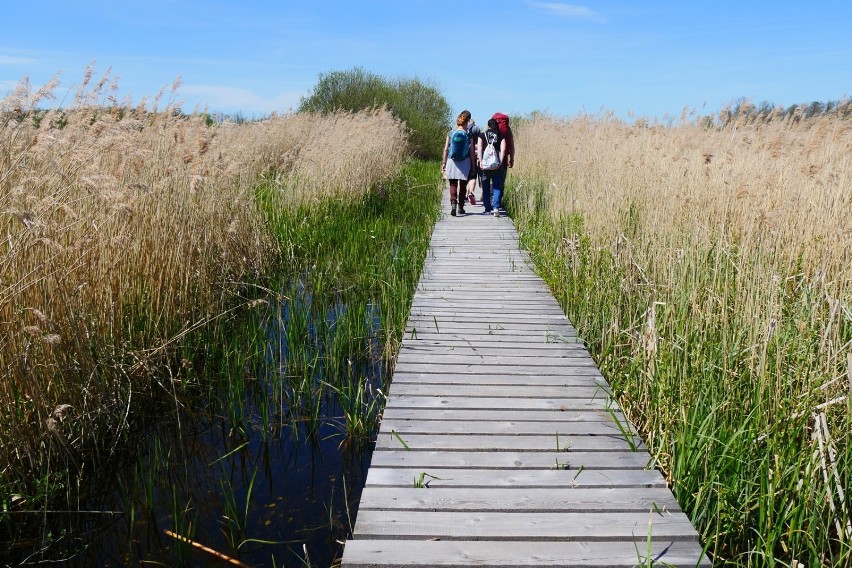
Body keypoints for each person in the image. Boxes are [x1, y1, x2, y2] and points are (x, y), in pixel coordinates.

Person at [441, 112, 476, 216]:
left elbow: (446, 149)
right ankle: (461, 206)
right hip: (465, 161)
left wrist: (444, 162)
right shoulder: (469, 134)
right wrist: (473, 165)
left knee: (453, 183)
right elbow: (472, 151)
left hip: (452, 161)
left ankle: (453, 204)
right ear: (466, 123)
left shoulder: (451, 133)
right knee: (463, 184)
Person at [476, 118, 508, 217]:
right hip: (496, 165)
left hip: (485, 165)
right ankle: (496, 207)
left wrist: (480, 161)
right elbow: (503, 150)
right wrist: (501, 162)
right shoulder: (500, 136)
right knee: (497, 186)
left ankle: (487, 208)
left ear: (488, 125)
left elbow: (480, 149)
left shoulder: (482, 135)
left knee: (485, 187)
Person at [460, 110, 481, 206]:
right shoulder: (476, 129)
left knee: (464, 177)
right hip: (474, 154)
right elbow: (479, 143)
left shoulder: (461, 129)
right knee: (472, 176)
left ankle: (463, 195)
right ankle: (471, 192)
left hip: (462, 156)